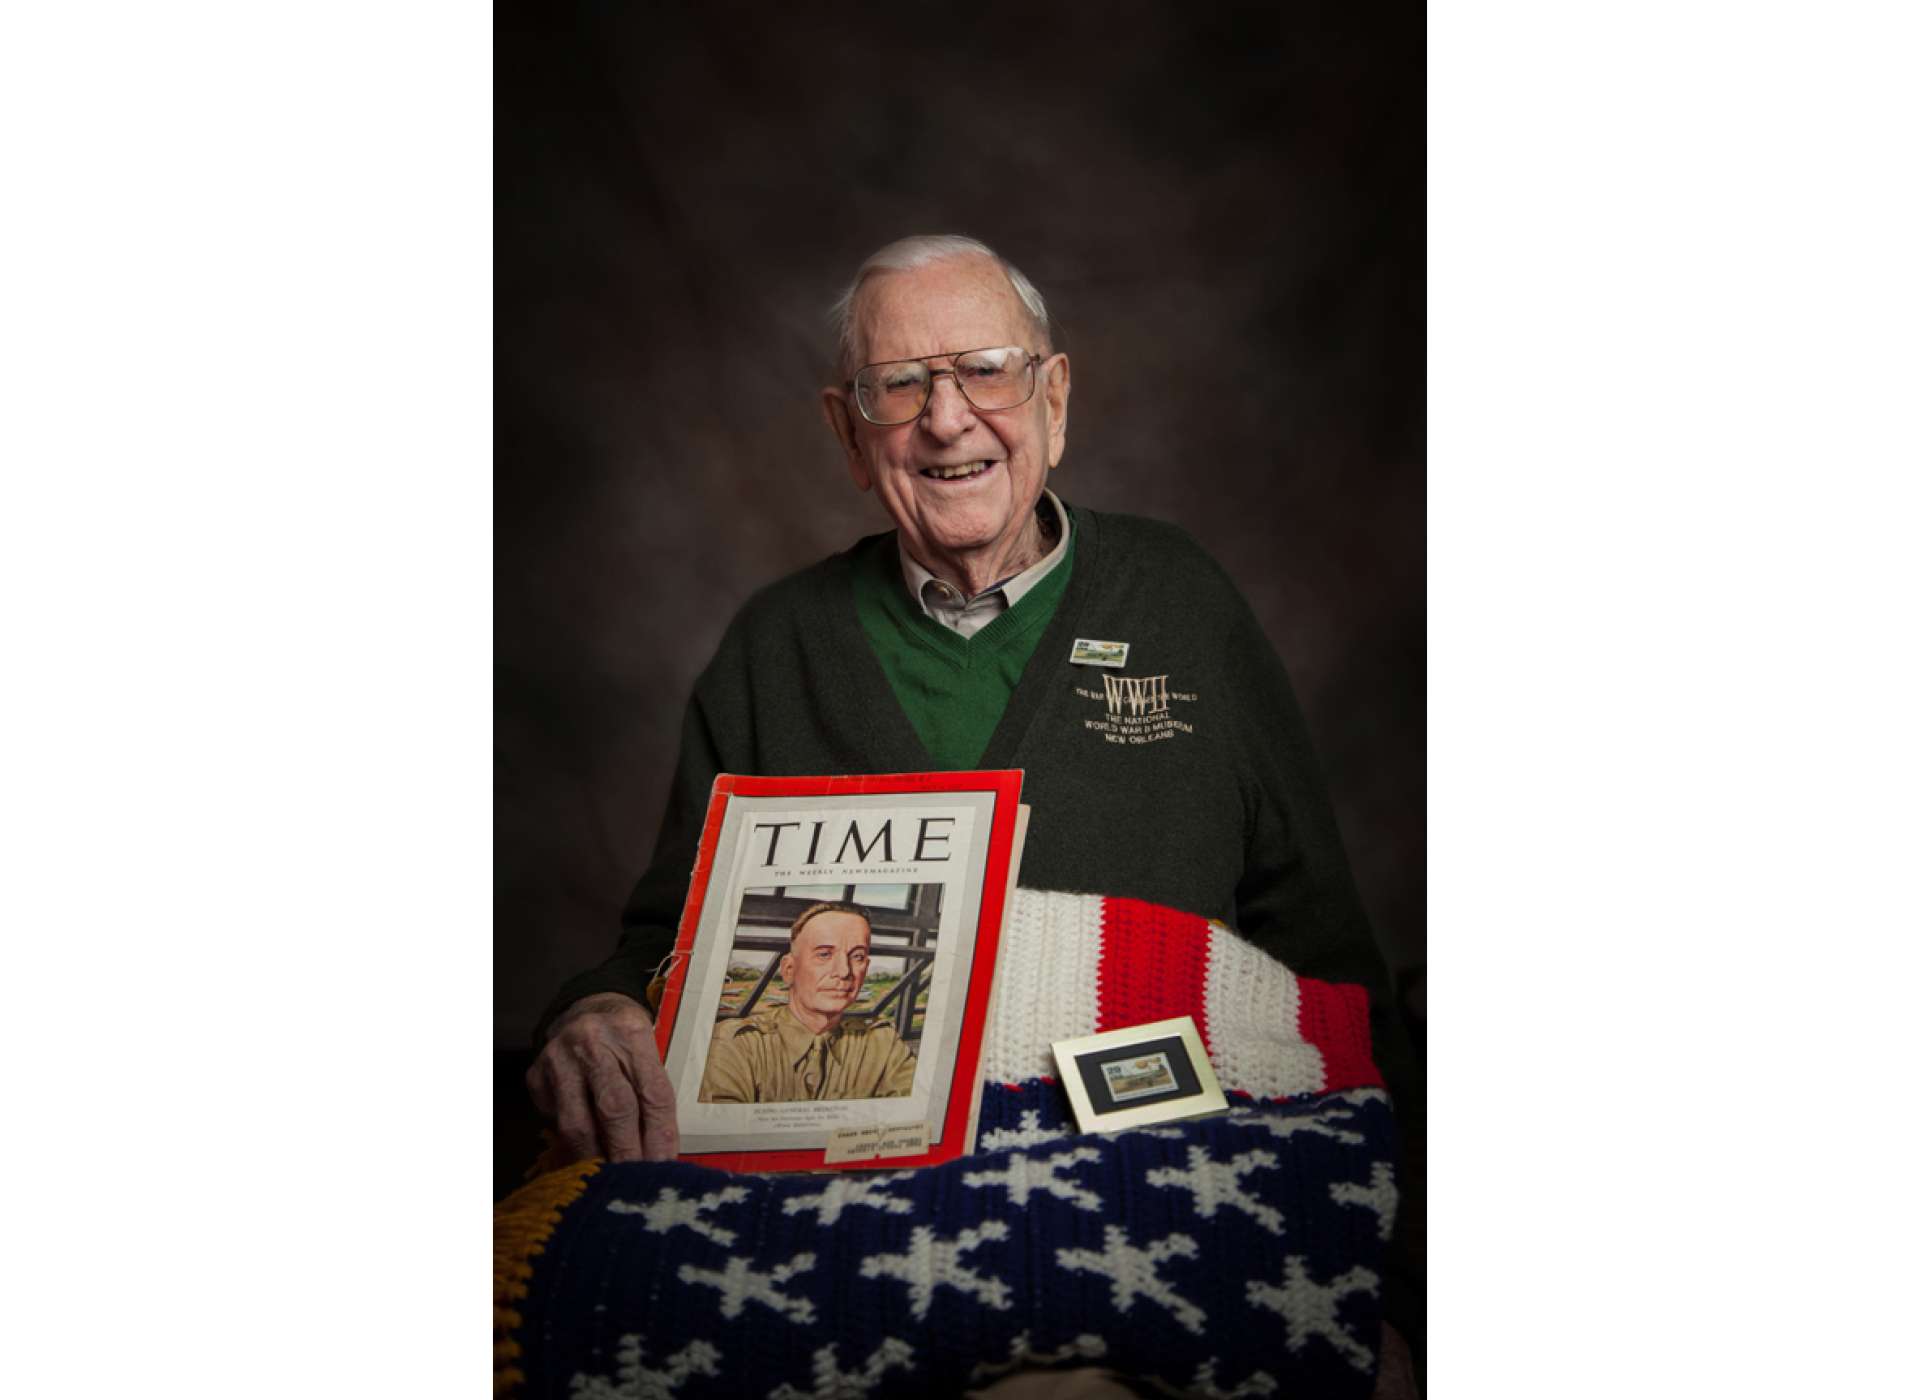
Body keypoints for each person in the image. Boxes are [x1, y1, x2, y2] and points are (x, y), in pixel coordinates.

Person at [525, 234, 1423, 1395]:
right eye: (900, 386)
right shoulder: (777, 646)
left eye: (986, 370)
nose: (948, 419)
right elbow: (666, 950)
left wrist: (1405, 1291)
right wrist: (592, 1005)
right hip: (851, 1221)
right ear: (852, 435)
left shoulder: (1184, 601)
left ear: (1053, 399)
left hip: (1161, 1192)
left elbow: (1329, 961)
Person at [698, 901, 919, 1103]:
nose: (843, 972)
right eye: (824, 954)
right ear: (789, 969)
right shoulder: (738, 1043)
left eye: (857, 957)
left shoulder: (882, 1044)